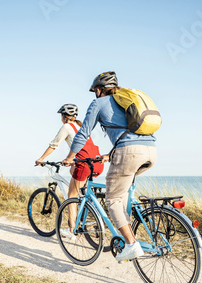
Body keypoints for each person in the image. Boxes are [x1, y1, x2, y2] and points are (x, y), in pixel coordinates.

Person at [62, 71, 157, 262]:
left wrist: (70, 157)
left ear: (99, 90)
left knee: (111, 198)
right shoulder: (125, 101)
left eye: (95, 90)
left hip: (128, 152)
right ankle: (128, 230)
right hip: (151, 150)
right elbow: (129, 133)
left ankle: (131, 244)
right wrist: (110, 155)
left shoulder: (98, 103)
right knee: (122, 196)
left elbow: (83, 133)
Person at [35, 104, 104, 239]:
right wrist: (71, 160)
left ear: (63, 116)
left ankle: (72, 229)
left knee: (71, 195)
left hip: (84, 164)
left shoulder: (67, 127)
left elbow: (54, 144)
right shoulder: (81, 126)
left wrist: (41, 158)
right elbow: (83, 148)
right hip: (96, 164)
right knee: (80, 189)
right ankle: (85, 216)